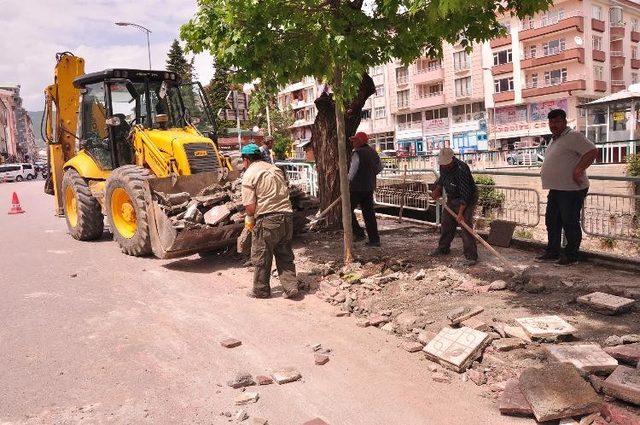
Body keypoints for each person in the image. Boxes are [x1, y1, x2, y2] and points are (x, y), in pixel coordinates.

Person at [537, 109, 597, 265]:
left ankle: (571, 255)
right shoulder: (555, 139)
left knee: (569, 222)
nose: (553, 125)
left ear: (564, 122)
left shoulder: (573, 136)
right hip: (557, 188)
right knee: (552, 221)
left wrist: (578, 170)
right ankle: (553, 251)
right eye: (551, 122)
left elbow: (592, 151)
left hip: (572, 189)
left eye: (557, 121)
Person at [241, 143, 300, 299]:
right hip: (287, 217)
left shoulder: (249, 174)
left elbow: (249, 205)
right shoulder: (275, 169)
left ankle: (260, 290)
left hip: (268, 219)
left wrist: (250, 219)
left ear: (246, 159)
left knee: (261, 256)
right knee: (285, 254)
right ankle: (291, 287)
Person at [430, 147, 479, 266]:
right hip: (452, 197)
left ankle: (471, 256)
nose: (444, 166)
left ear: (452, 159)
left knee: (465, 225)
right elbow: (443, 179)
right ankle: (443, 248)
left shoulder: (462, 169)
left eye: (446, 163)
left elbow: (465, 193)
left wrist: (461, 213)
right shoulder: (443, 166)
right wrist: (437, 189)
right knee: (446, 222)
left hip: (467, 199)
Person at [348, 131, 383, 247]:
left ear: (361, 141)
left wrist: (347, 182)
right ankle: (374, 239)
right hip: (369, 187)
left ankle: (359, 233)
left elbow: (353, 171)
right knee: (369, 213)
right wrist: (370, 174)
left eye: (355, 140)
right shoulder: (373, 152)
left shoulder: (357, 153)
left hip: (357, 187)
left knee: (347, 210)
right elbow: (379, 168)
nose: (353, 143)